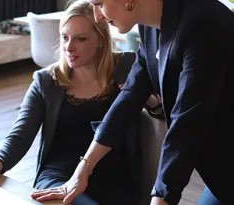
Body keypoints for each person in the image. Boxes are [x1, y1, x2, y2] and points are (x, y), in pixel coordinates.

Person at [32, 0, 234, 204]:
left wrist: (160, 196)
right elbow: (130, 95)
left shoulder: (204, 23)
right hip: (220, 166)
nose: (97, 16)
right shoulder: (150, 26)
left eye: (99, 4)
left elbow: (187, 124)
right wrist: (82, 170)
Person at [0, 1, 162, 204]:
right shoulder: (46, 81)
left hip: (116, 180)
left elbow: (164, 115)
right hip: (58, 179)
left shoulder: (128, 66)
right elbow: (19, 136)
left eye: (81, 39)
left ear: (101, 40)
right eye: (64, 37)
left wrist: (148, 99)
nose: (69, 47)